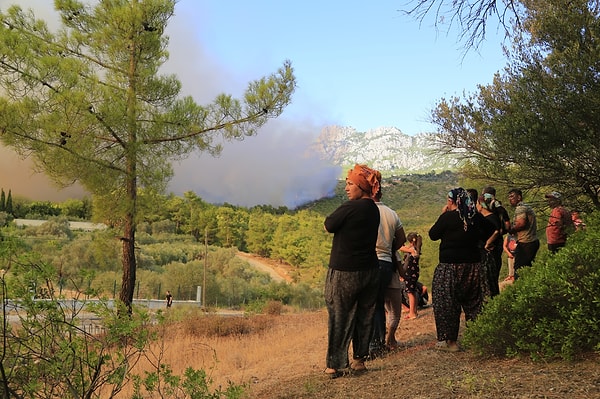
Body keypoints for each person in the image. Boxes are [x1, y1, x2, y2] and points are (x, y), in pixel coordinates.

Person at [323, 164, 380, 378]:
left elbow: (328, 225)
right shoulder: (374, 209)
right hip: (370, 270)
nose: (346, 188)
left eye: (350, 184)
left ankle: (334, 365)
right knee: (364, 315)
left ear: (361, 186)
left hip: (345, 270)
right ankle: (359, 361)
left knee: (339, 315)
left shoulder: (349, 207)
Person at [429, 187, 488, 352]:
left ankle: (451, 342)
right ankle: (478, 338)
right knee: (475, 303)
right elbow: (490, 229)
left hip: (450, 267)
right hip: (473, 266)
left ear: (451, 201)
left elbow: (433, 234)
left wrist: (443, 214)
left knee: (447, 303)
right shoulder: (474, 217)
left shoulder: (447, 217)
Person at [369, 174, 406, 358]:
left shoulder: (366, 211)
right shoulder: (391, 213)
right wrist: (391, 248)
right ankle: (382, 341)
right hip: (386, 261)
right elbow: (402, 238)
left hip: (370, 260)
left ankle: (375, 344)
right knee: (381, 305)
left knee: (373, 305)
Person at [507, 189, 540, 279]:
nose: (510, 199)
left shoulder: (521, 208)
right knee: (526, 269)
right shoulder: (526, 207)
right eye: (509, 197)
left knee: (519, 270)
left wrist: (510, 230)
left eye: (512, 196)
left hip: (526, 242)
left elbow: (521, 224)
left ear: (519, 197)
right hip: (531, 241)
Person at [477, 194, 503, 297]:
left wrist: (488, 243)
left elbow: (497, 232)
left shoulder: (490, 218)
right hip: (491, 253)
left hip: (490, 254)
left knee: (490, 279)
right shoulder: (491, 217)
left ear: (482, 205)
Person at [398, 232, 422, 319]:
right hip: (414, 273)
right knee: (413, 291)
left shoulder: (412, 250)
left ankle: (412, 313)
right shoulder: (416, 248)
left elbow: (400, 248)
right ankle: (414, 311)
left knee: (410, 292)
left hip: (410, 273)